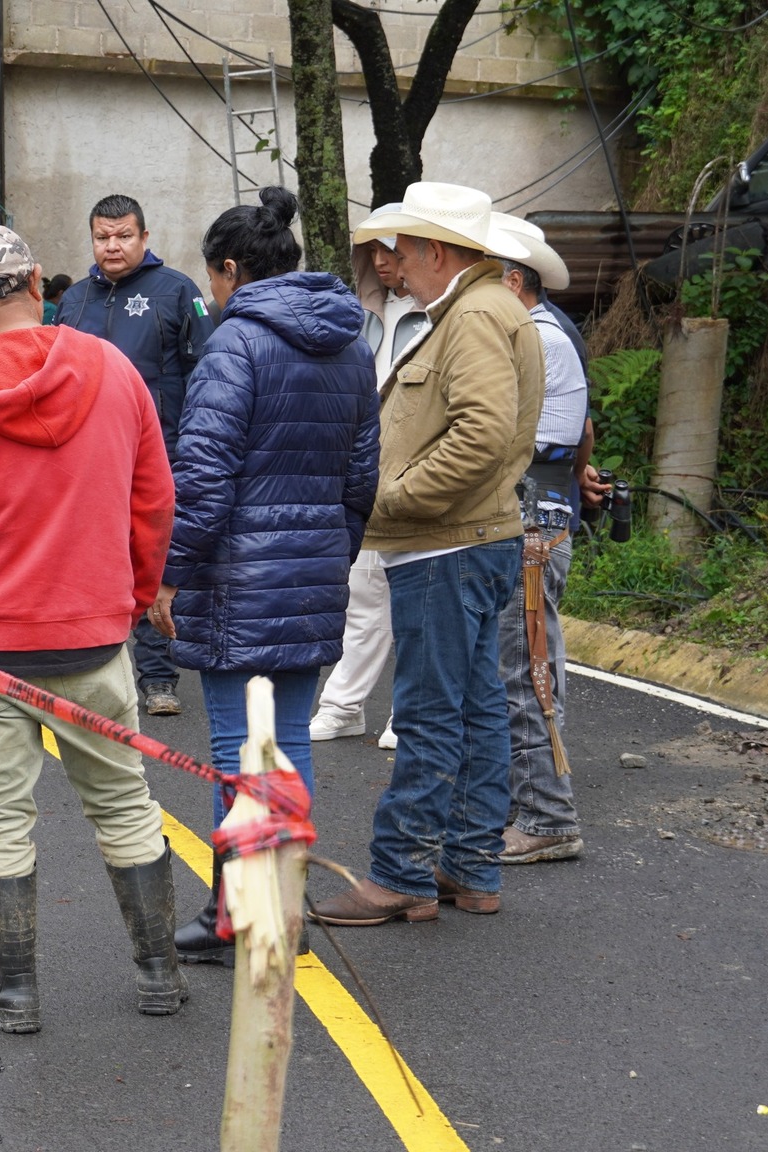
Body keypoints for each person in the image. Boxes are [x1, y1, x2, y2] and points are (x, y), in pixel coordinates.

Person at [0, 224, 183, 1033]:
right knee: (125, 801)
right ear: (42, 283)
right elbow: (154, 498)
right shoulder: (114, 370)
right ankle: (158, 974)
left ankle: (15, 993)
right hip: (93, 635)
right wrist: (135, 593)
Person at [147, 187, 378, 965]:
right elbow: (361, 477)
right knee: (289, 747)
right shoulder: (352, 345)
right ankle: (279, 907)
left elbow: (204, 481)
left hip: (237, 580)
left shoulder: (234, 347)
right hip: (312, 570)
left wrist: (170, 576)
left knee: (237, 749)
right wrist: (329, 558)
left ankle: (241, 918)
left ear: (231, 271)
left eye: (212, 279)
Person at [310, 182, 544, 928]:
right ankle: (470, 869)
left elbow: (479, 435)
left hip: (444, 546)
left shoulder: (471, 315)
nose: (390, 265)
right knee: (474, 711)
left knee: (429, 714)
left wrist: (394, 497)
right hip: (470, 541)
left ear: (437, 251)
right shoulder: (489, 308)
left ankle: (400, 873)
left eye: (400, 250)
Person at [54, 194, 219, 717]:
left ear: (144, 238)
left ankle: (158, 677)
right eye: (103, 237)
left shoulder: (178, 293)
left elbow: (207, 376)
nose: (113, 246)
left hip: (158, 456)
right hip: (88, 461)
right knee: (92, 564)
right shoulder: (74, 301)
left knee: (151, 562)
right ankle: (92, 672)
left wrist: (193, 448)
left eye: (124, 235)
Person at [488, 216, 589, 865]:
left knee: (526, 671)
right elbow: (583, 431)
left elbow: (502, 434)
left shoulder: (536, 337)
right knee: (524, 666)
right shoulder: (551, 330)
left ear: (513, 280)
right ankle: (522, 802)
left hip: (531, 518)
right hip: (542, 511)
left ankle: (550, 817)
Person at [311, 219, 430, 750]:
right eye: (371, 251)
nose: (381, 261)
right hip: (365, 463)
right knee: (361, 591)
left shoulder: (441, 316)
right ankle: (343, 706)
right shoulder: (363, 315)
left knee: (416, 598)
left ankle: (408, 713)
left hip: (420, 468)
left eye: (391, 250)